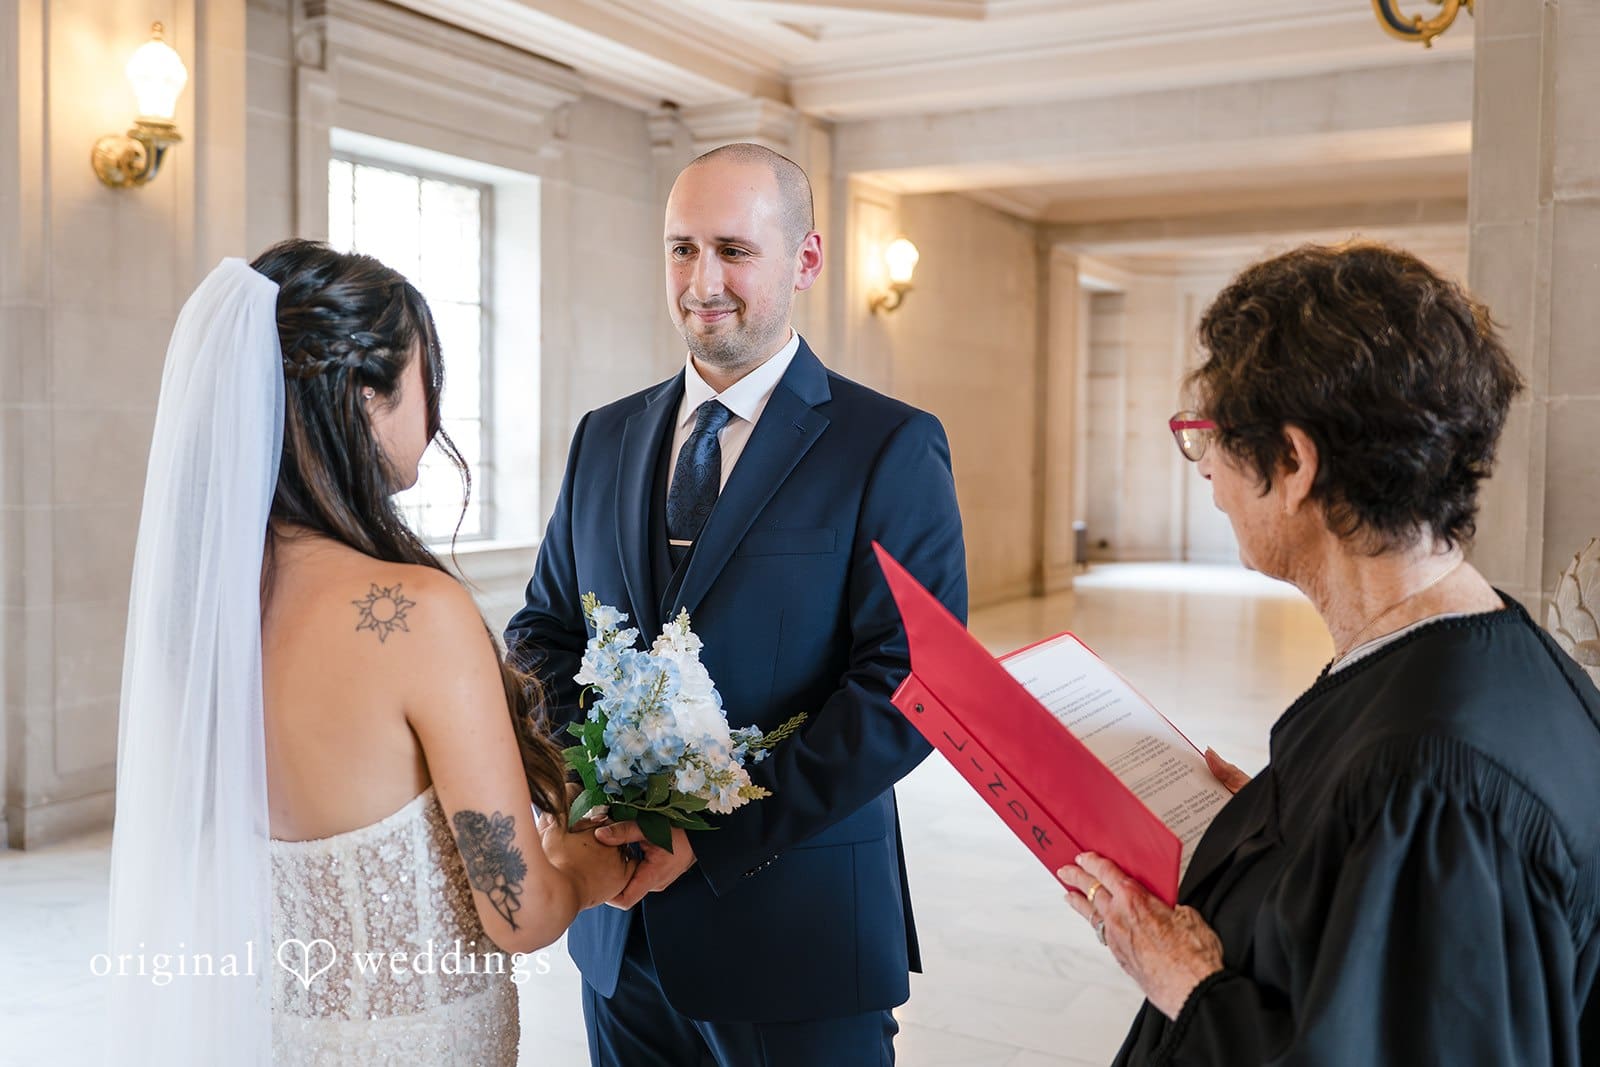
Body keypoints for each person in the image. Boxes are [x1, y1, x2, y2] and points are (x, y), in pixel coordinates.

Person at [1055, 242, 1600, 1064]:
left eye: (1211, 440)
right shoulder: (1480, 655)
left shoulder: (1431, 786)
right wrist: (1279, 839)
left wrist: (1185, 982)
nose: (1207, 475)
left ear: (1294, 462)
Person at [105, 241, 633, 1066]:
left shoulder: (204, 613)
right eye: (426, 376)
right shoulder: (416, 614)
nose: (436, 409)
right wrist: (586, 865)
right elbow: (519, 910)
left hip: (279, 1034)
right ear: (366, 395)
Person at [506, 142, 967, 1065]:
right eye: (682, 248)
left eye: (734, 250)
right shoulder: (604, 436)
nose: (702, 280)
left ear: (806, 259)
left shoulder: (888, 445)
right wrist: (597, 790)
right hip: (621, 940)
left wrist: (711, 834)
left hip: (796, 932)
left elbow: (911, 686)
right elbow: (542, 630)